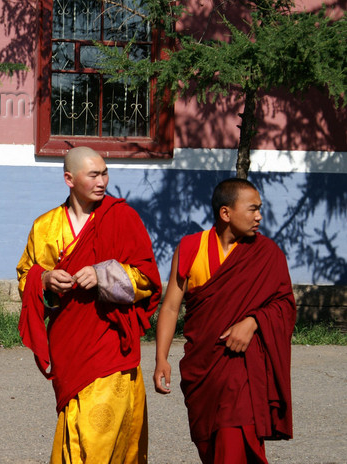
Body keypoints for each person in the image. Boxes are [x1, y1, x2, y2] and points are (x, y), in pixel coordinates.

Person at [16, 146, 161, 464]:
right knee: (75, 424)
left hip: (110, 341)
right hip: (69, 342)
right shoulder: (46, 227)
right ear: (69, 178)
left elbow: (147, 279)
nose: (102, 181)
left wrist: (103, 275)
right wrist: (45, 281)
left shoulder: (122, 217)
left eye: (105, 173)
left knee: (98, 432)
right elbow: (27, 275)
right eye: (93, 174)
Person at [154, 178, 296, 464]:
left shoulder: (267, 253)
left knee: (235, 437)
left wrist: (254, 320)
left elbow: (285, 304)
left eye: (261, 209)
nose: (259, 216)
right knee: (211, 445)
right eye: (252, 209)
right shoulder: (191, 247)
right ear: (226, 213)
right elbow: (170, 307)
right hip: (203, 368)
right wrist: (161, 358)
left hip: (242, 368)